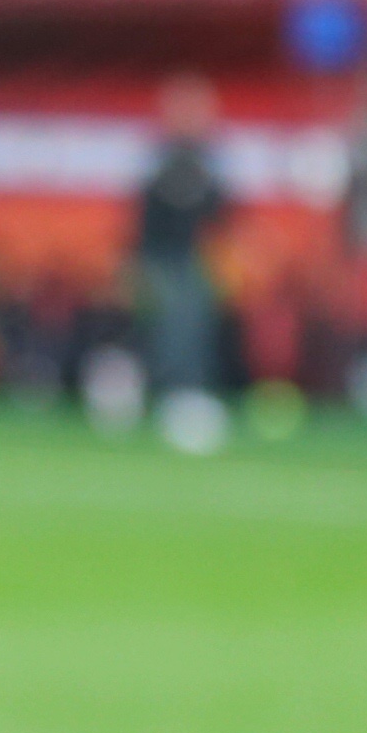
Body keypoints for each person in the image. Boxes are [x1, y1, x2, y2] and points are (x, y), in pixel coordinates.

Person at [134, 78, 235, 457]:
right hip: (162, 257)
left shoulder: (210, 158)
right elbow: (144, 216)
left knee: (195, 329)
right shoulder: (160, 157)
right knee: (173, 330)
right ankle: (173, 401)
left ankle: (191, 398)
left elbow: (222, 212)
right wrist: (139, 263)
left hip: (196, 257)